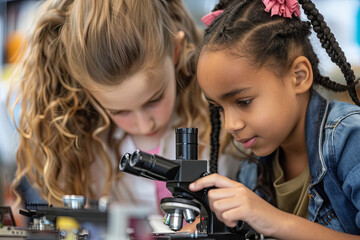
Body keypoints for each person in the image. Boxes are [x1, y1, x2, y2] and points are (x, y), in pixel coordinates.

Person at [9, 0, 242, 222]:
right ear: (88, 94)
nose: (144, 124)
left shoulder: (222, 128)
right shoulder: (84, 152)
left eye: (154, 100)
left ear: (176, 51)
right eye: (119, 112)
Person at [190, 0, 360, 238]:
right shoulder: (252, 171)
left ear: (299, 77)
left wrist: (273, 220)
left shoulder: (351, 140)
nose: (230, 125)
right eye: (218, 107)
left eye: (244, 101)